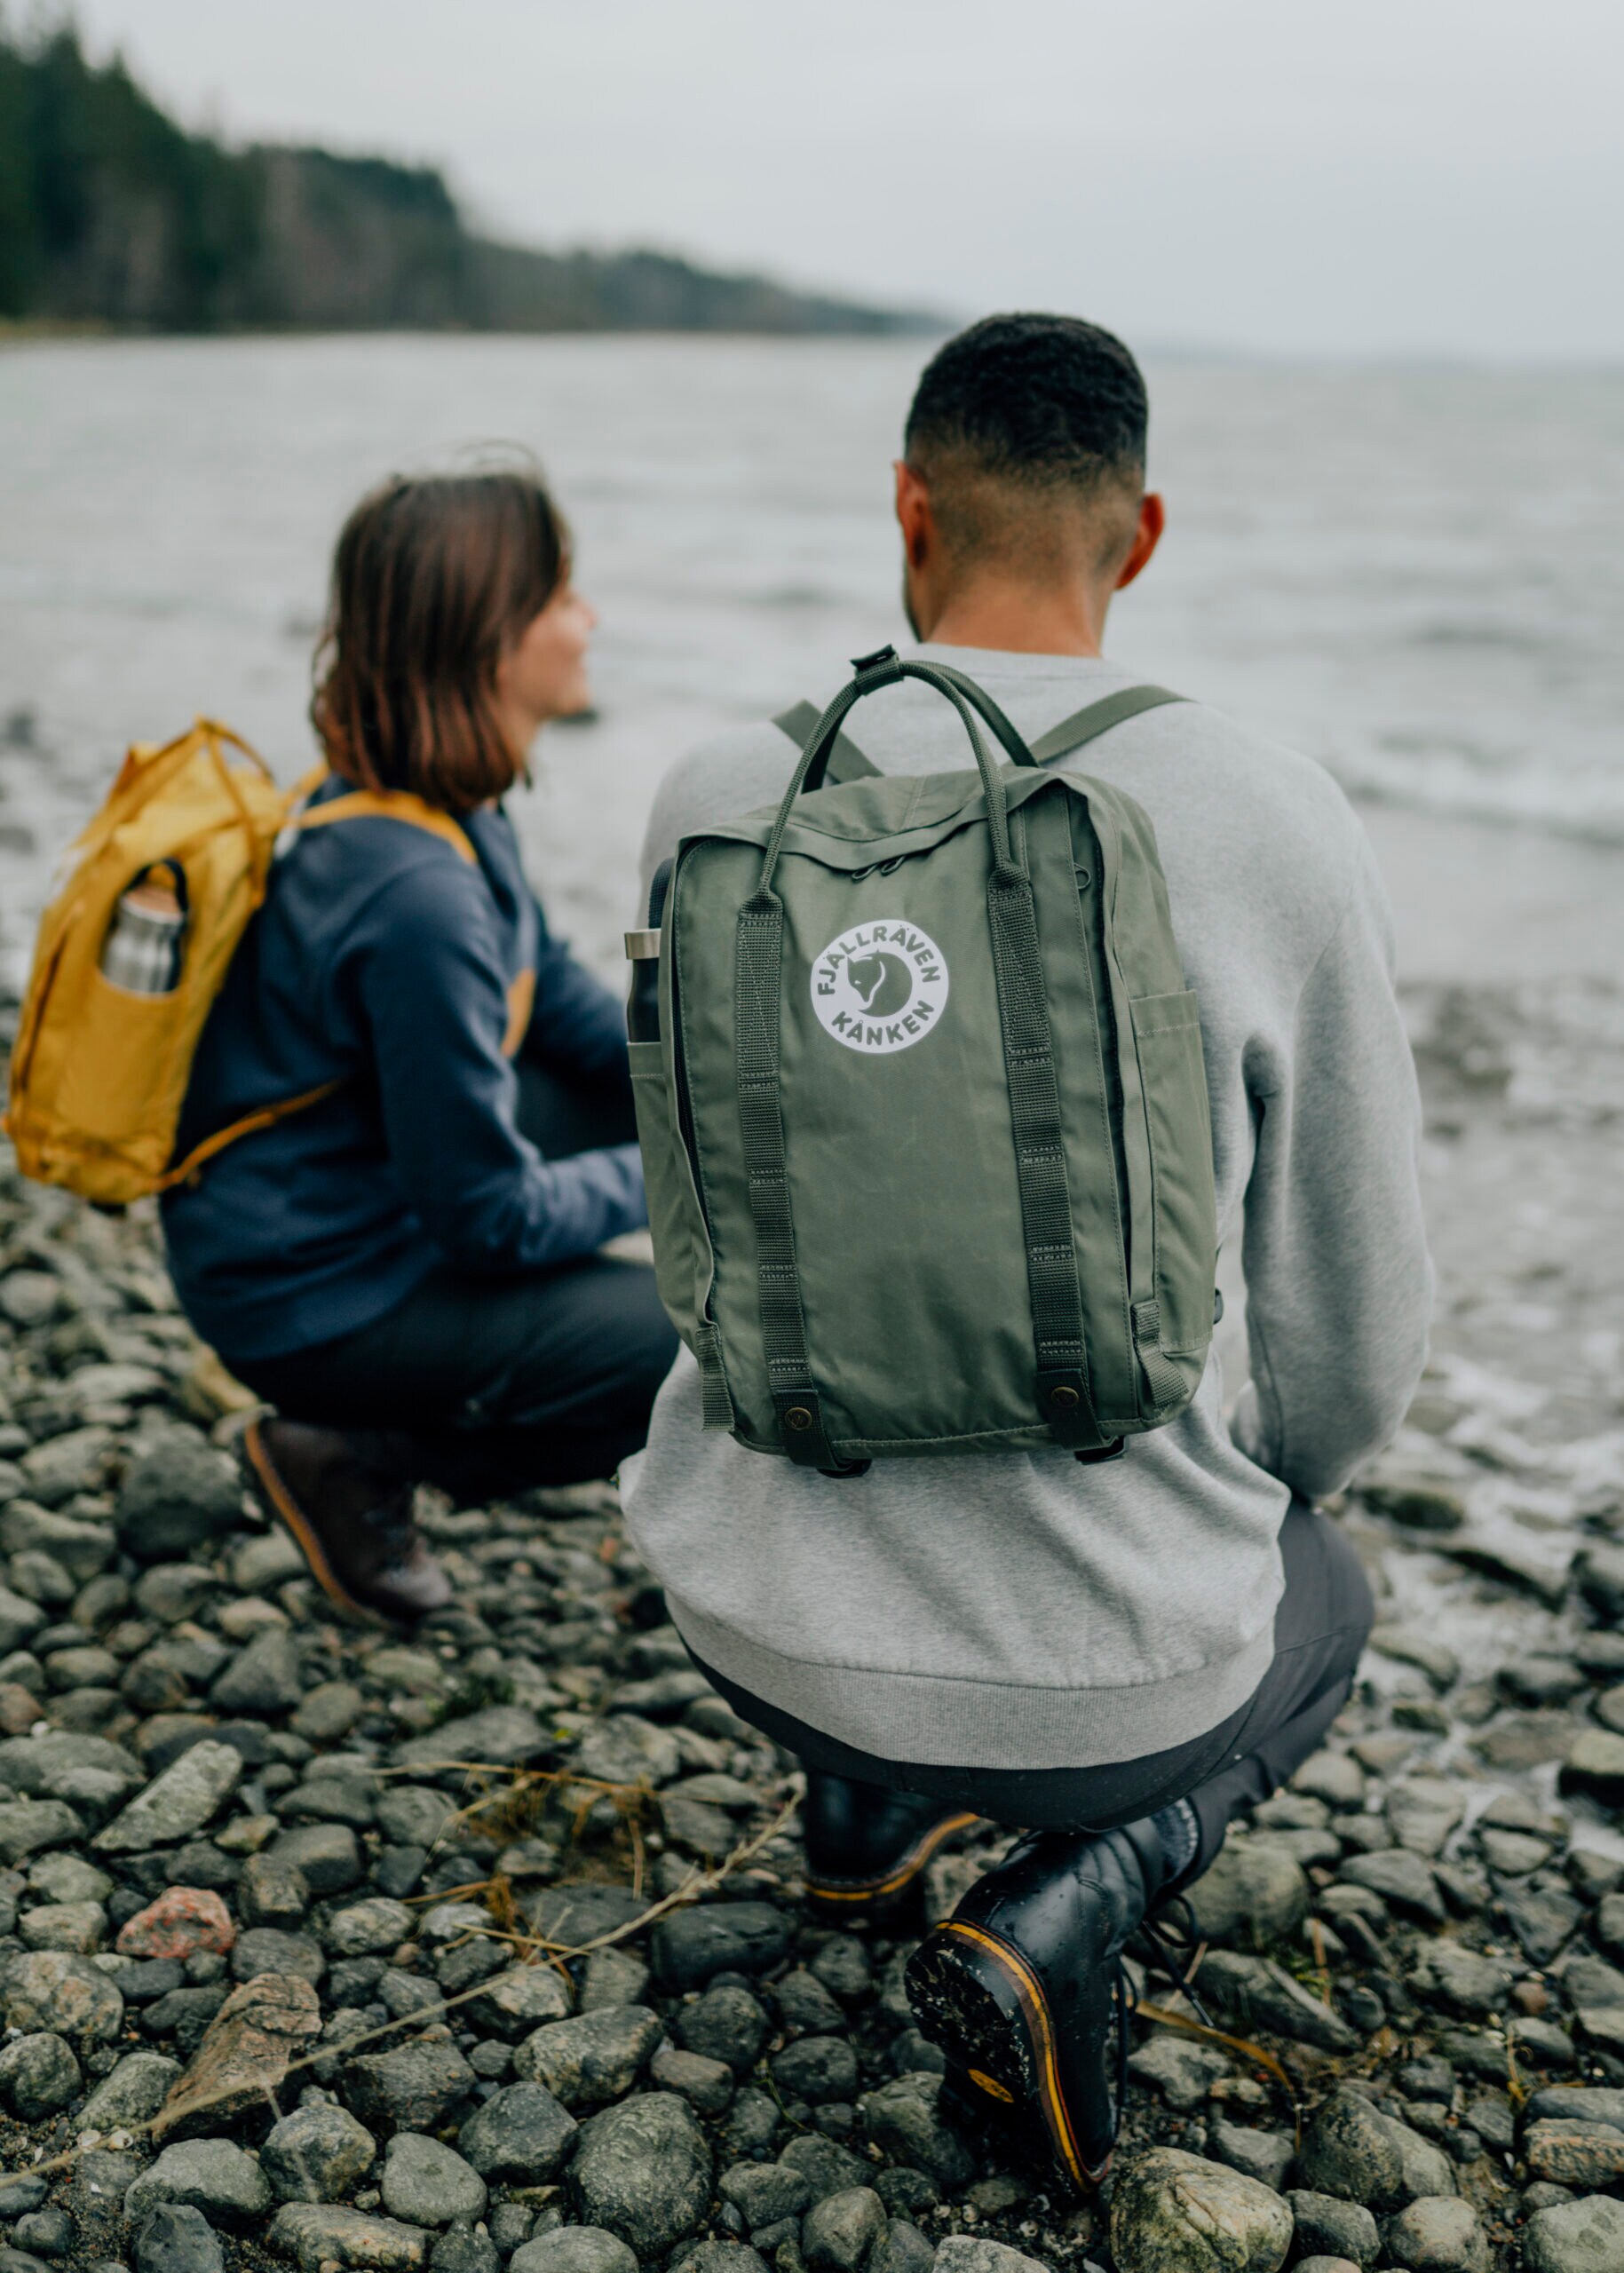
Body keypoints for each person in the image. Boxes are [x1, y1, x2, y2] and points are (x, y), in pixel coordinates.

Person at [626, 315, 1431, 2186]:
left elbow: (699, 1214)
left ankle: (854, 1808)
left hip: (743, 1614)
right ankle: (1068, 1903)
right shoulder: (1277, 817)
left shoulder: (712, 791)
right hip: (1098, 1699)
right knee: (1331, 1593)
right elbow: (1354, 1343)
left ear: (908, 509)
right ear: (1140, 535)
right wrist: (1256, 1488)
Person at [162, 468, 677, 1623]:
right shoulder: (412, 895)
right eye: (558, 594)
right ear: (486, 639)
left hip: (335, 1194)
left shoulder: (441, 807)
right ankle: (354, 1454)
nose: (586, 618)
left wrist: (713, 1091)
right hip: (308, 1292)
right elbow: (486, 1220)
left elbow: (555, 1006)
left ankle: (397, 1428)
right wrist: (680, 1177)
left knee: (653, 1117)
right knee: (697, 1350)